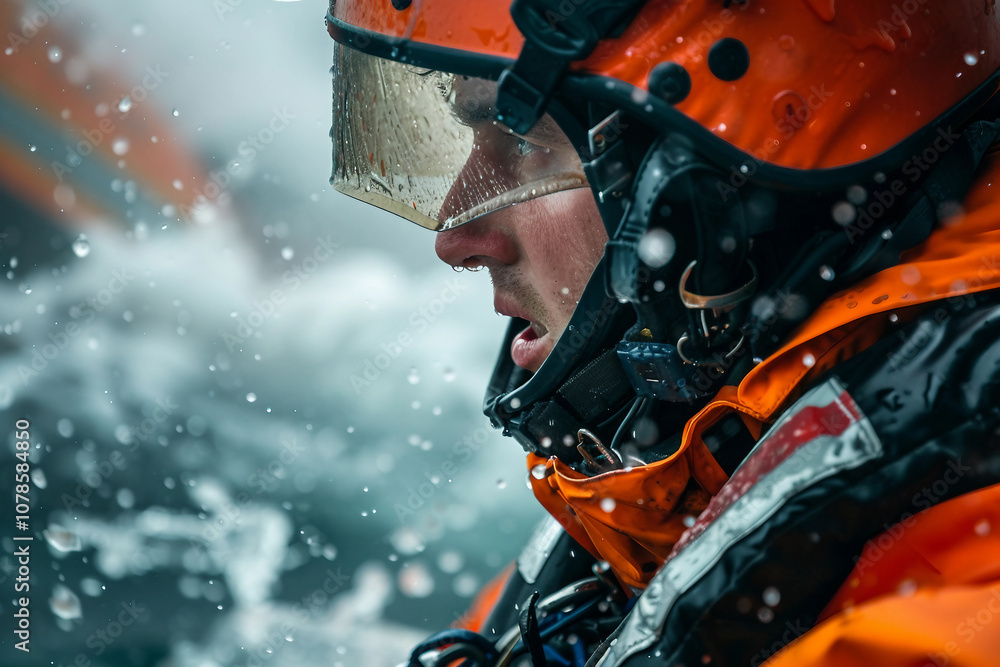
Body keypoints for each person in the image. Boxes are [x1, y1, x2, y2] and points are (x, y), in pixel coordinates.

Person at [326, 0, 1000, 664]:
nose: (457, 239)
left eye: (525, 144)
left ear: (711, 193)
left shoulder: (950, 600)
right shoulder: (673, 475)